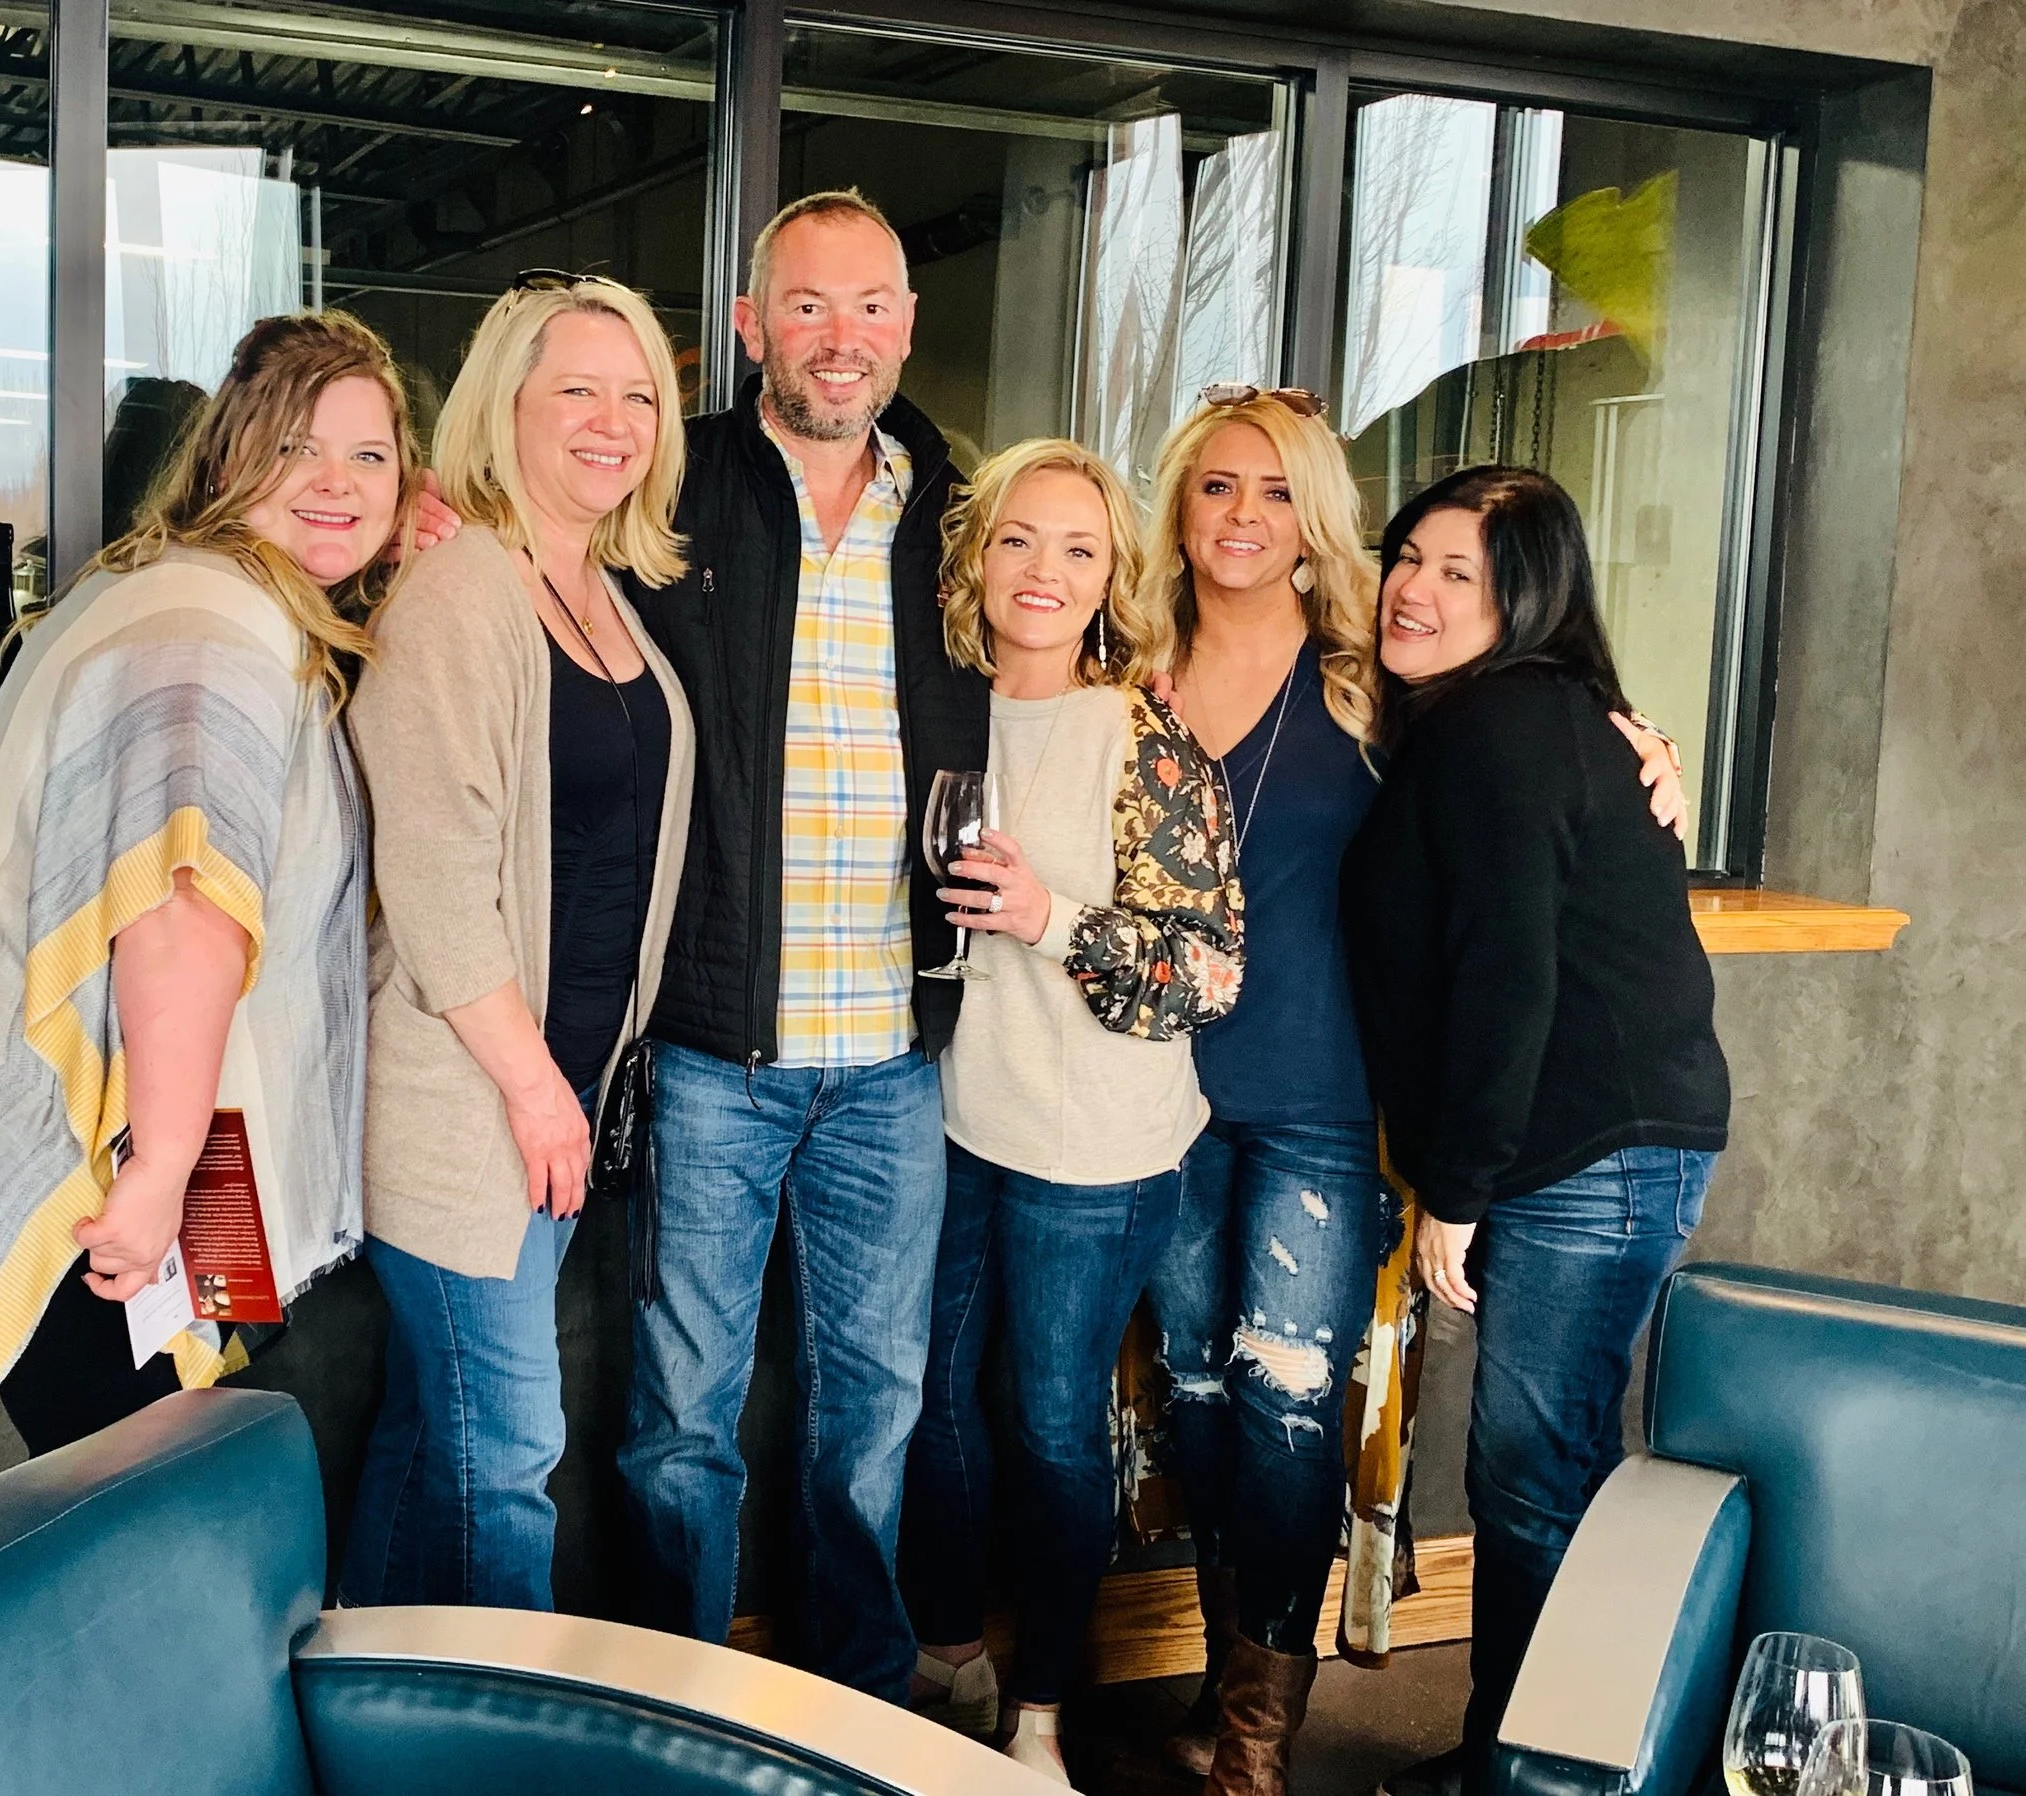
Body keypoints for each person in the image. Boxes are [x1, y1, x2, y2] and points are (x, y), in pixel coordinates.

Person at [1137, 390, 1691, 1796]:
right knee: (1199, 1403)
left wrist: (1644, 751)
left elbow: (1537, 809)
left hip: (1326, 1105)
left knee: (1288, 1405)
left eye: (1274, 490)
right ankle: (1233, 1696)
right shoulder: (1121, 660)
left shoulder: (1381, 686)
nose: (1241, 517)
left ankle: (1271, 1740)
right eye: (1214, 488)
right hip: (1154, 1107)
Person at [0, 310, 418, 1454]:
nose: (335, 482)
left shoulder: (211, 592)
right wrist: (162, 1172)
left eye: (368, 455)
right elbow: (182, 907)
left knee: (155, 1497)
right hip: (79, 1151)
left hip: (123, 1129)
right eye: (296, 448)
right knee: (152, 1521)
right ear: (232, 458)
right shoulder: (211, 630)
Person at [620, 188, 989, 1699]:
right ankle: (672, 1705)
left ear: (908, 322)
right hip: (719, 1046)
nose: (845, 339)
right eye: (813, 307)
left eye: (875, 305)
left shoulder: (955, 508)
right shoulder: (675, 490)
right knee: (682, 1417)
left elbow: (1112, 621)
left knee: (872, 1413)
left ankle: (857, 1704)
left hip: (894, 1059)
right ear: (753, 326)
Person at [1343, 466, 1729, 1796]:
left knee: (1531, 1478)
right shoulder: (1513, 720)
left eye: (1464, 572)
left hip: (1587, 1154)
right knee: (1540, 1468)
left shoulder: (1504, 727)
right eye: (1411, 556)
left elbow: (1513, 967)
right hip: (1586, 1147)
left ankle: (1547, 1773)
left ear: (1530, 597)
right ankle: (1533, 1756)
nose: (1418, 588)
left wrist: (1457, 1188)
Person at [342, 273, 695, 1612]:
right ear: (510, 407)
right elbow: (431, 881)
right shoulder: (463, 593)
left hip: (551, 1109)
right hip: (467, 1105)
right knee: (507, 1459)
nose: (613, 423)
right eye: (577, 393)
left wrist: (570, 1098)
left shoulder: (601, 592)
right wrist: (540, 1092)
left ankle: (352, 1701)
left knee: (433, 1434)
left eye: (638, 396)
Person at [896, 439, 1245, 1786]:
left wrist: (1052, 921)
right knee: (930, 1399)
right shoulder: (937, 711)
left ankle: (1042, 1713)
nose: (1044, 574)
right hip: (943, 1120)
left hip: (1093, 1149)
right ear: (975, 560)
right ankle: (948, 1656)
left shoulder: (1143, 738)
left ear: (1114, 579)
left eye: (1078, 549)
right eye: (1019, 542)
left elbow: (1209, 972)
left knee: (1049, 1422)